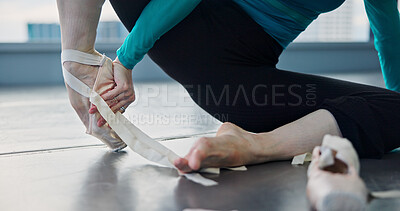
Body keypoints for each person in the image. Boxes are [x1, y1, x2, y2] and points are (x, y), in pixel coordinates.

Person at [56, 0, 400, 172]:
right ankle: (78, 57)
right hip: (211, 60)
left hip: (236, 79)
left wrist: (126, 59)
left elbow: (388, 35)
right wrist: (125, 60)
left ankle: (254, 145)